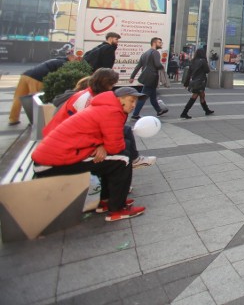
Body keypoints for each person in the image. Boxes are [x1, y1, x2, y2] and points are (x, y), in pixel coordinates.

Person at [31, 87, 147, 222]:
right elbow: (115, 147)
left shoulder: (105, 106)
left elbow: (113, 141)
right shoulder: (112, 111)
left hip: (57, 156)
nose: (134, 105)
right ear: (119, 99)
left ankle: (106, 200)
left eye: (135, 102)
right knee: (123, 159)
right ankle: (117, 209)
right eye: (131, 101)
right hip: (51, 162)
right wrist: (104, 146)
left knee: (122, 149)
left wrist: (103, 145)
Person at [45, 68, 156, 168]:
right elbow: (84, 128)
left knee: (123, 138)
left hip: (68, 138)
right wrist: (99, 145)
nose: (112, 88)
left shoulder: (92, 96)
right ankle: (125, 171)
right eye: (111, 85)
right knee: (122, 148)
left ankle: (131, 163)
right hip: (66, 143)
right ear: (104, 84)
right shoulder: (86, 99)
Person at [8, 50, 79, 126]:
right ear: (70, 57)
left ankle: (13, 119)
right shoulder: (63, 63)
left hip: (25, 75)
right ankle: (34, 121)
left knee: (18, 98)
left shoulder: (57, 60)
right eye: (75, 58)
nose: (76, 60)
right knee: (36, 100)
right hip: (37, 78)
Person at [129, 37, 169, 119]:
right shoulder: (155, 53)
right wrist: (162, 67)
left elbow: (138, 66)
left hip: (146, 77)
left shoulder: (145, 53)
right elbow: (158, 64)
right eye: (159, 42)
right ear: (154, 43)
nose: (161, 44)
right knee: (143, 96)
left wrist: (132, 76)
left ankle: (159, 110)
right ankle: (135, 114)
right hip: (152, 77)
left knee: (153, 96)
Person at [180, 49, 215, 119]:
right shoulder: (203, 61)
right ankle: (184, 112)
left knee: (202, 95)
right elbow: (207, 71)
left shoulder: (193, 61)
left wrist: (186, 83)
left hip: (194, 80)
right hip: (200, 81)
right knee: (194, 96)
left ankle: (207, 110)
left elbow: (189, 73)